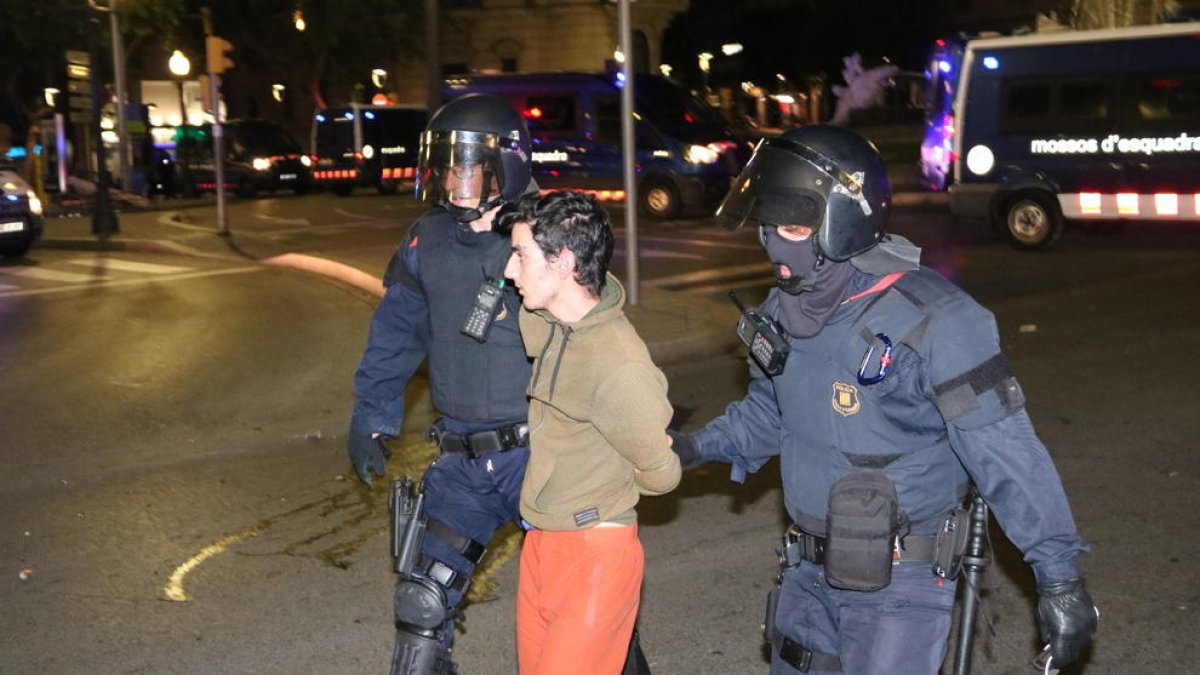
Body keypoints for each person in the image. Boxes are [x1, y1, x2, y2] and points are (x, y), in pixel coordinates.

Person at [669, 125, 1098, 674]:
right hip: (806, 572)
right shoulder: (782, 310)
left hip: (901, 585)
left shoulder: (938, 319)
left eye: (794, 226)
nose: (776, 243)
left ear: (843, 223)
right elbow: (772, 410)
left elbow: (1008, 453)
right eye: (768, 226)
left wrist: (1059, 578)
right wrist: (694, 447)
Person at [347, 95, 652, 675]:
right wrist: (372, 413)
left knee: (589, 615)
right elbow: (395, 330)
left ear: (505, 166)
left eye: (468, 167)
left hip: (542, 455)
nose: (453, 181)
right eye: (446, 167)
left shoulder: (543, 232)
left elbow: (597, 325)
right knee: (421, 608)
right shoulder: (426, 240)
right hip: (461, 460)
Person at [497, 190, 682, 675]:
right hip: (541, 541)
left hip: (595, 554)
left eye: (520, 256)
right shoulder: (548, 323)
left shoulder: (620, 366)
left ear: (563, 262)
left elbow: (663, 474)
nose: (509, 271)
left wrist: (615, 479)